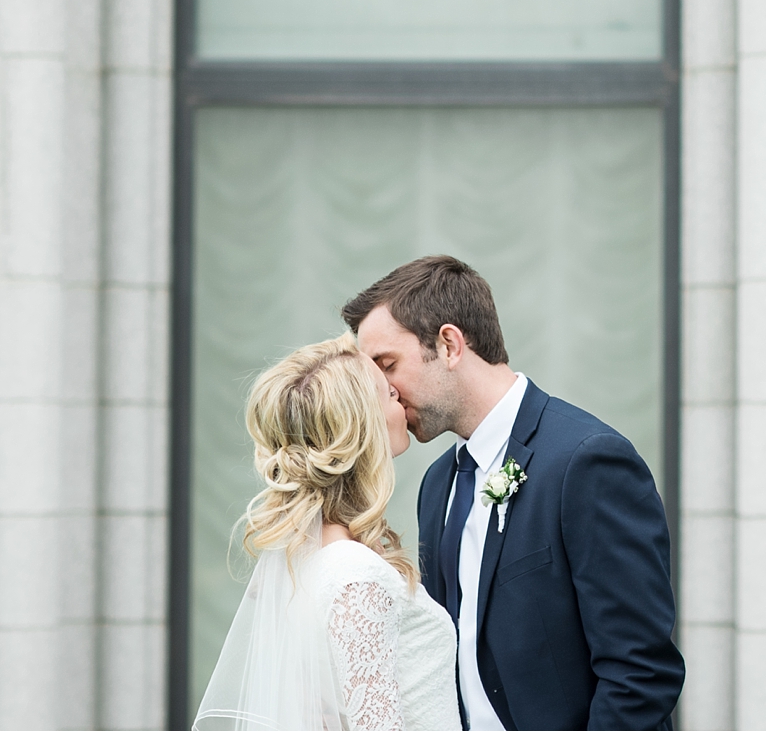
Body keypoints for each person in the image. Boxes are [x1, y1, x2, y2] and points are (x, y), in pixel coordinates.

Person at [344, 256, 684, 731]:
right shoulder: (437, 483)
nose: (387, 393)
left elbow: (640, 673)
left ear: (449, 344)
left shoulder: (587, 461)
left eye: (388, 365)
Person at [195, 335, 463, 731]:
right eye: (388, 392)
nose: (401, 399)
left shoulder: (309, 562)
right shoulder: (354, 573)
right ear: (362, 426)